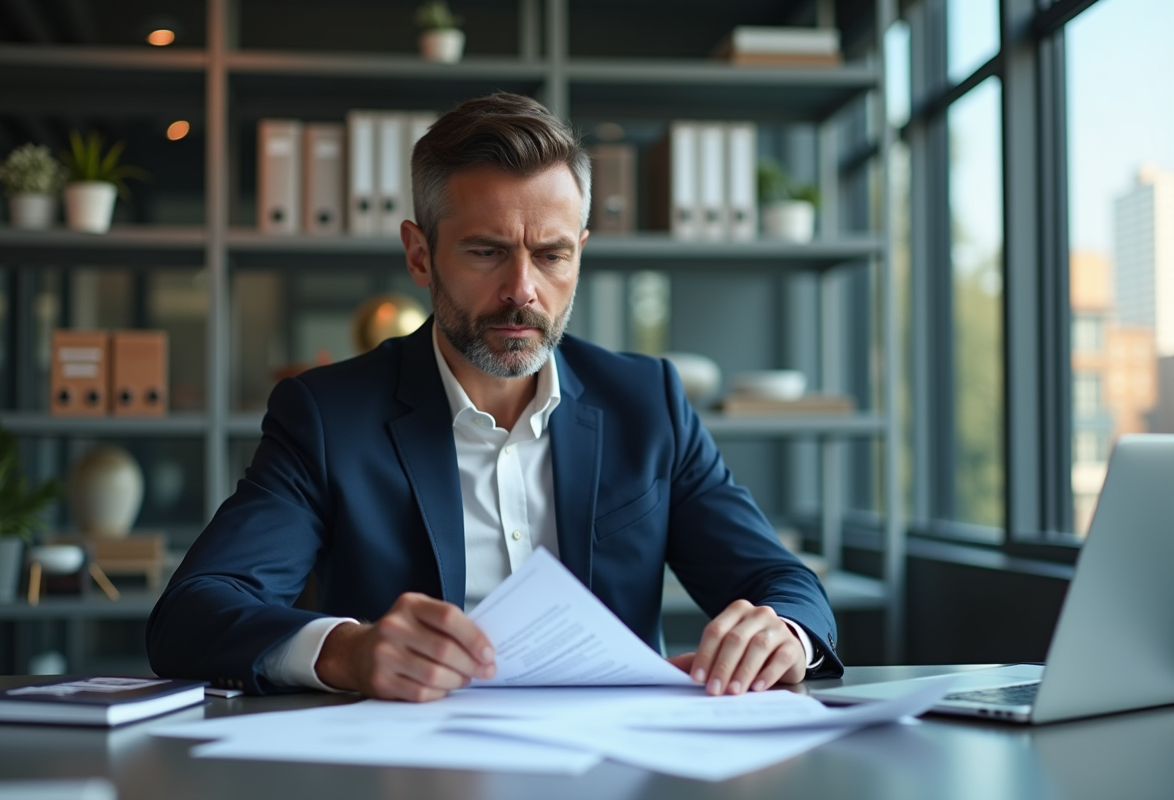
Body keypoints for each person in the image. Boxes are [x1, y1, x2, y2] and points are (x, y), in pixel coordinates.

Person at [147, 92, 843, 702]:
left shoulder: (648, 403)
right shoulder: (328, 416)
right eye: (486, 251)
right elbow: (193, 614)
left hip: (613, 769)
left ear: (580, 251)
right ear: (420, 255)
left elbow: (782, 581)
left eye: (551, 254)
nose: (522, 290)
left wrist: (783, 633)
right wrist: (347, 651)